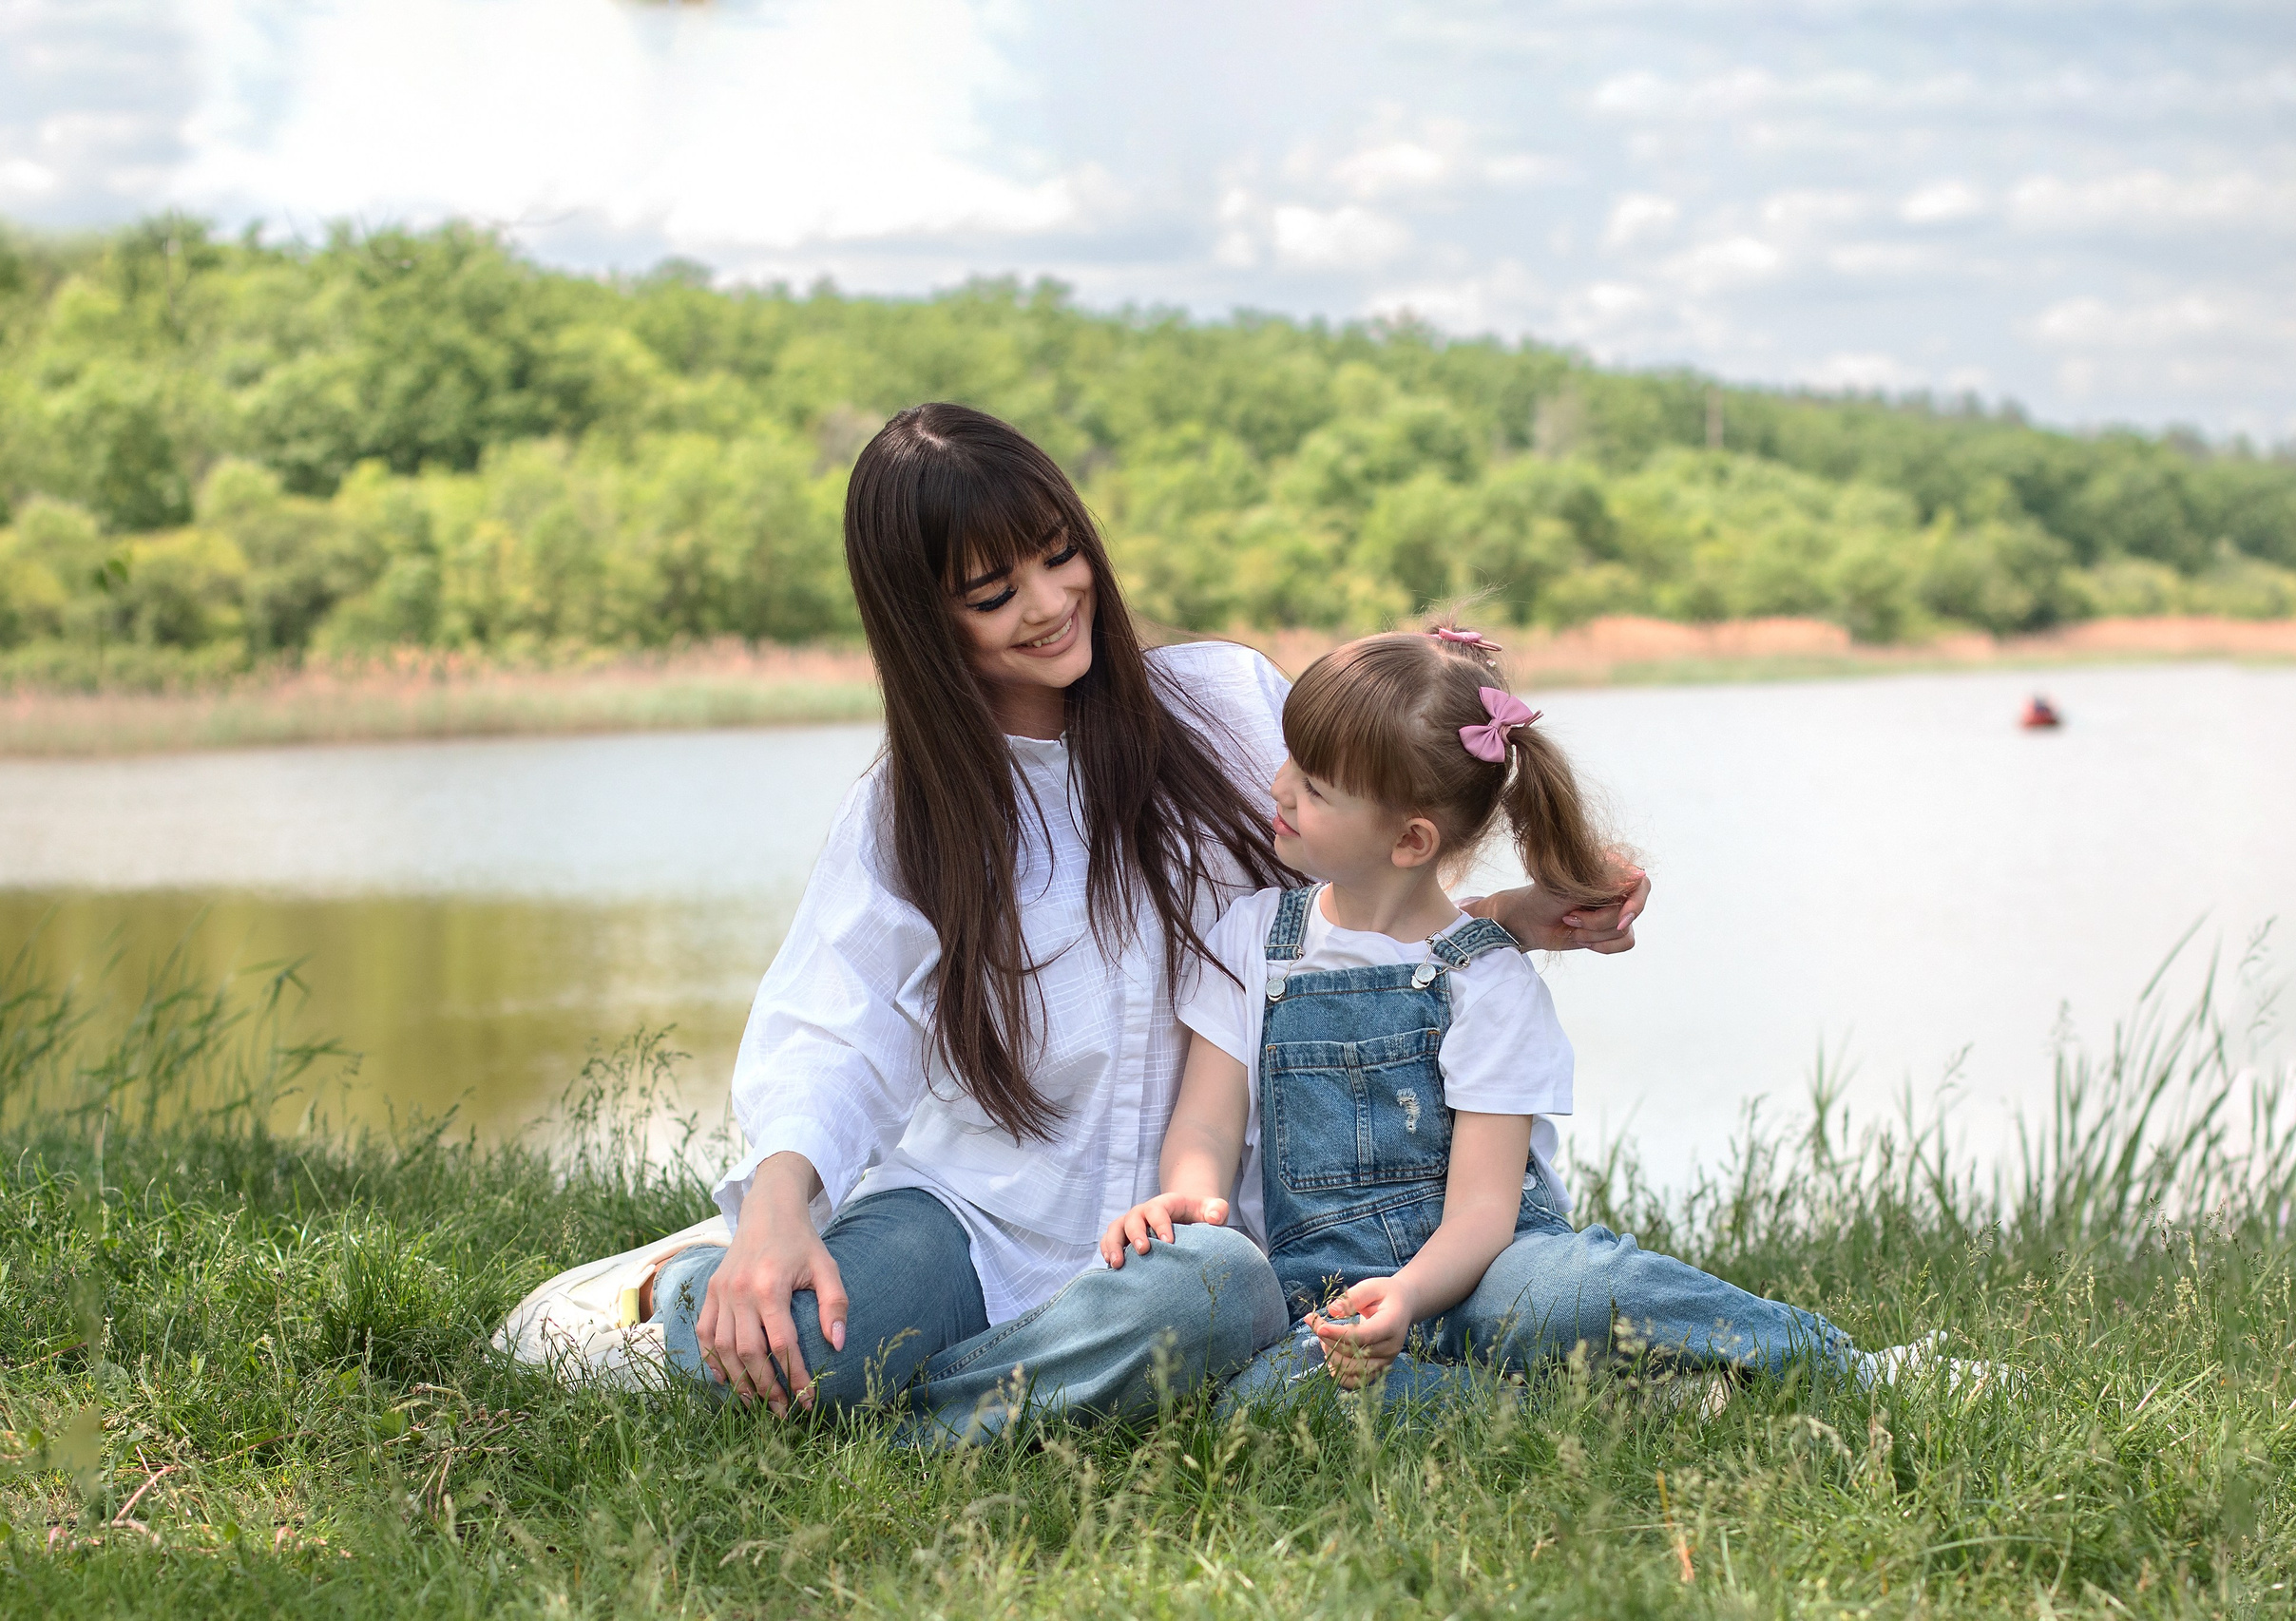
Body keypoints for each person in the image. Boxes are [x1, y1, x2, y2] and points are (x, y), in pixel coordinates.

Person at [492, 403, 1649, 1442]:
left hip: (1192, 1238)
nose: (1049, 605)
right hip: (979, 1215)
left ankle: (920, 1429)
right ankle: (679, 1293)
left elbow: (1350, 905)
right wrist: (777, 1211)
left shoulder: (1224, 705)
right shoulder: (911, 810)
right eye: (994, 595)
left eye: (1059, 558)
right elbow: (831, 1028)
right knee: (778, 1330)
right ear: (922, 620)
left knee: (1207, 1298)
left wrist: (1511, 916)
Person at [1100, 623, 1876, 1405]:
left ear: (1410, 840)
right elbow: (1206, 1122)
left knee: (1561, 1295)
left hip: (1485, 1276)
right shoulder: (1251, 940)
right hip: (1331, 1302)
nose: (1278, 786)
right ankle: (1576, 1409)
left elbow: (1482, 1208)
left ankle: (1843, 1361)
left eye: (1316, 788)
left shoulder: (1487, 979)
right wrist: (1194, 1202)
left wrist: (1408, 1293)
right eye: (1292, 760)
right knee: (1266, 1397)